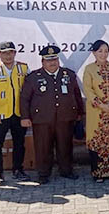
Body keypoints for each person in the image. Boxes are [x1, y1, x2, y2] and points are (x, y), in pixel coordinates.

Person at [20, 45, 84, 184]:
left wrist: (80, 112)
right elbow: (25, 98)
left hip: (65, 117)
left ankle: (66, 170)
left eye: (54, 59)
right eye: (48, 60)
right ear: (42, 62)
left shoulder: (69, 75)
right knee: (43, 147)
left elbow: (77, 95)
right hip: (42, 119)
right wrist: (25, 117)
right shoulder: (33, 77)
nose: (52, 62)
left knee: (65, 145)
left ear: (58, 60)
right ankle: (43, 174)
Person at [0, 41, 31, 185]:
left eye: (11, 52)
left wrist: (27, 114)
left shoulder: (23, 68)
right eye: (4, 53)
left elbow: (29, 92)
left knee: (19, 143)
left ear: (15, 53)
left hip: (19, 114)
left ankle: (18, 169)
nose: (8, 55)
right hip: (1, 114)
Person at [83, 40, 109, 182]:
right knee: (97, 140)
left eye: (106, 51)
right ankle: (97, 173)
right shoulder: (89, 69)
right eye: (100, 51)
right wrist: (101, 105)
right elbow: (88, 89)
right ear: (93, 53)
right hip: (96, 112)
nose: (103, 54)